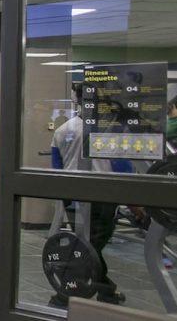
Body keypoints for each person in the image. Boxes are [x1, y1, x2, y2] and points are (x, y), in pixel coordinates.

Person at [46, 84, 131, 308]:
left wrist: (63, 198)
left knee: (88, 246)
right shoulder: (109, 131)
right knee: (88, 248)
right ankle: (65, 295)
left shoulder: (62, 130)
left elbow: (57, 168)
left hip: (72, 196)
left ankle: (106, 290)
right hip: (102, 197)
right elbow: (123, 168)